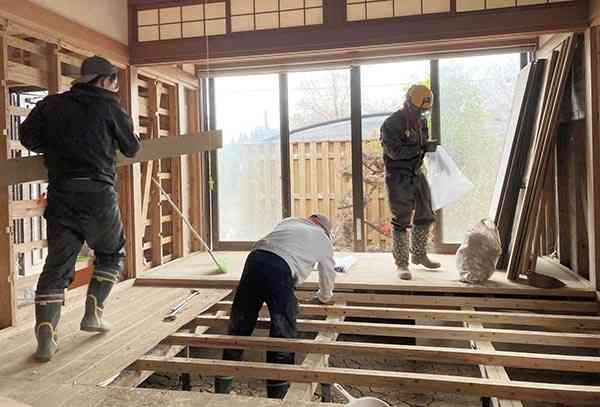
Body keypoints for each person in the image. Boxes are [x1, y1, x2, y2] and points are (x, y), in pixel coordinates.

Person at [19, 55, 140, 362]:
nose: (115, 87)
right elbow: (131, 148)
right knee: (111, 253)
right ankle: (93, 315)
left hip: (61, 195)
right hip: (97, 194)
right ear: (104, 80)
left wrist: (60, 145)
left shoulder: (50, 105)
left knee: (57, 266)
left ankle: (46, 334)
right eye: (114, 81)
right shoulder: (111, 107)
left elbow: (28, 138)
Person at [214, 214, 336, 399]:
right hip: (280, 268)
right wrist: (325, 297)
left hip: (254, 259)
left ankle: (221, 392)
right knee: (283, 331)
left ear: (311, 220)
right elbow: (327, 272)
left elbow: (281, 247)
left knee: (240, 323)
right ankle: (277, 397)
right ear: (325, 229)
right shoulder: (322, 238)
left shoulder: (289, 222)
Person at [380, 84, 440, 280]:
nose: (425, 113)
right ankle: (401, 264)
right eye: (423, 109)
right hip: (398, 176)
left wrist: (427, 147)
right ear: (413, 104)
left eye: (426, 110)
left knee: (426, 213)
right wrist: (419, 150)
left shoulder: (420, 122)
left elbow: (421, 144)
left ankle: (419, 255)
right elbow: (394, 152)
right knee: (401, 220)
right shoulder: (392, 123)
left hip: (416, 172)